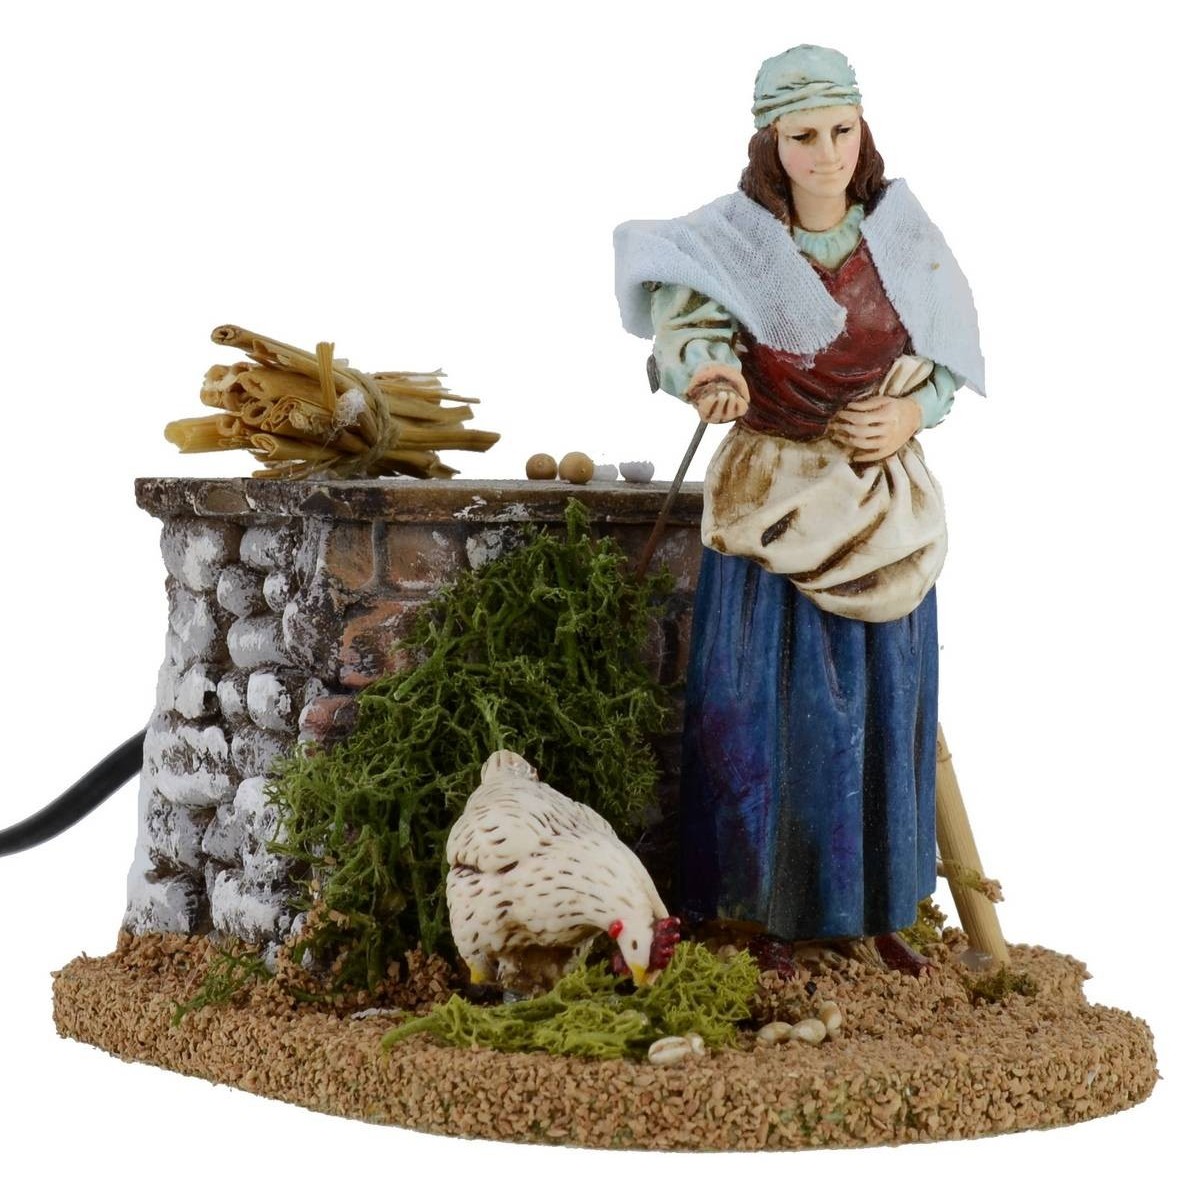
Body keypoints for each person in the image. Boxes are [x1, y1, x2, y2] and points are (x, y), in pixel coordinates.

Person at [614, 45, 985, 971]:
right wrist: (711, 377)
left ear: (863, 131)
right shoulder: (734, 241)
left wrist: (910, 414)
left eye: (841, 131)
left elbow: (944, 357)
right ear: (770, 144)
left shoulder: (903, 236)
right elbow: (690, 331)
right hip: (773, 508)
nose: (826, 154)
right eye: (804, 136)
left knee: (882, 715)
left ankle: (875, 909)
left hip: (879, 512)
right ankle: (758, 913)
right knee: (766, 716)